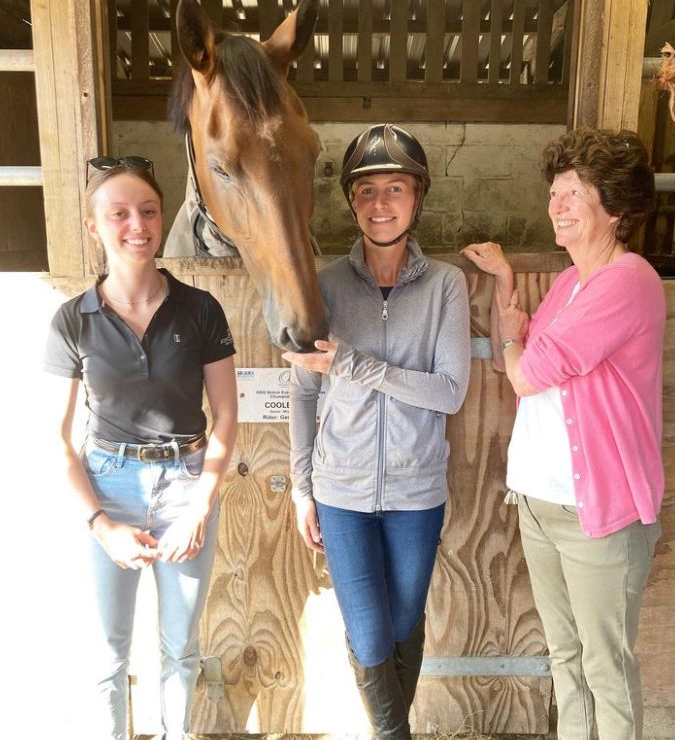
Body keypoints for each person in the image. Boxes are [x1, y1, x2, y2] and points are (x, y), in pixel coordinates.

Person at [462, 128, 664, 740]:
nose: (556, 204)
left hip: (596, 515)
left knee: (606, 665)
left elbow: (524, 374)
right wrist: (504, 285)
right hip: (540, 504)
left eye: (572, 192)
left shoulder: (626, 280)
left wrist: (518, 342)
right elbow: (512, 358)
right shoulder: (570, 285)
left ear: (615, 208)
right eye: (554, 191)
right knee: (565, 660)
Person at [283, 124, 471, 738]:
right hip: (342, 492)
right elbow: (305, 393)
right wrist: (301, 488)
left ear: (418, 199)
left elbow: (448, 390)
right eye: (366, 190)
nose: (380, 203)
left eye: (395, 188)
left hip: (417, 494)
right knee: (367, 633)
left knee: (403, 623)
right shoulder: (325, 285)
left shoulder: (445, 285)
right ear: (350, 201)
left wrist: (353, 364)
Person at [44, 156, 238, 740]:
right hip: (110, 485)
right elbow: (58, 439)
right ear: (93, 226)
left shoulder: (200, 309)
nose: (137, 224)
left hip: (187, 481)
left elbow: (226, 414)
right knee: (109, 652)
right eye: (119, 213)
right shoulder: (71, 321)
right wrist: (102, 525)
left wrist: (200, 507)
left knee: (180, 645)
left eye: (149, 211)